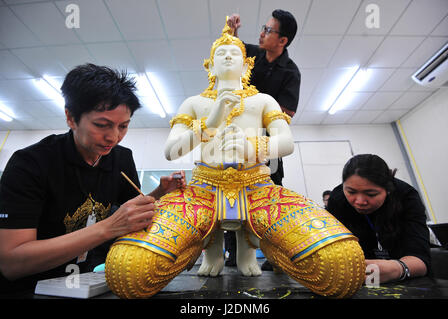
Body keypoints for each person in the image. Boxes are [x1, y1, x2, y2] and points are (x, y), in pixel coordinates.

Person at [104, 20, 365, 299]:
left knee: (343, 266)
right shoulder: (194, 103)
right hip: (202, 191)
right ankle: (199, 245)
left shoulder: (263, 100)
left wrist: (251, 145)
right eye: (220, 54)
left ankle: (266, 243)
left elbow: (286, 143)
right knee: (125, 273)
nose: (228, 56)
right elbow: (172, 151)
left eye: (235, 53)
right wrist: (209, 123)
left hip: (259, 190)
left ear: (246, 66)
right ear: (210, 66)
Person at [0, 63, 185, 295]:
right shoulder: (31, 164)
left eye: (123, 126)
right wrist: (107, 228)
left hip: (86, 283)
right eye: (101, 125)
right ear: (71, 117)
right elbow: (11, 263)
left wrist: (159, 193)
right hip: (31, 289)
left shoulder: (121, 158)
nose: (113, 137)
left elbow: (131, 213)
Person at [227, 10, 301, 270]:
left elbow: (287, 113)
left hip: (267, 145)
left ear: (283, 40)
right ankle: (233, 255)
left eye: (268, 30)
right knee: (232, 193)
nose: (261, 33)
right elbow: (232, 48)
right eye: (263, 28)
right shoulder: (254, 53)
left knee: (269, 195)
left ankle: (274, 255)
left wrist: (256, 110)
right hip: (236, 142)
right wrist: (233, 28)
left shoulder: (291, 72)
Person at [327, 154, 431, 283]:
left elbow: (421, 261)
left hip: (403, 277)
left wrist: (398, 268)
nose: (359, 201)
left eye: (371, 194)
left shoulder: (406, 196)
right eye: (351, 192)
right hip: (359, 277)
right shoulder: (338, 199)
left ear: (388, 189)